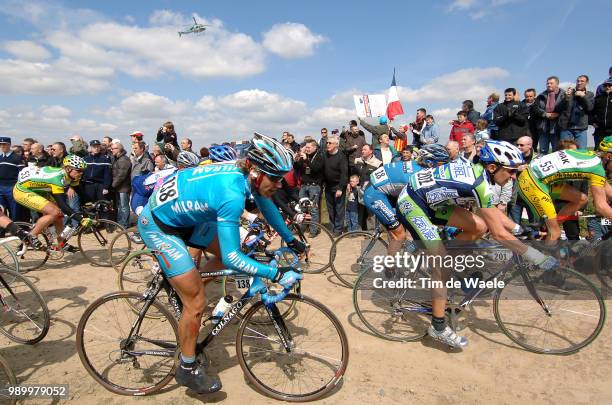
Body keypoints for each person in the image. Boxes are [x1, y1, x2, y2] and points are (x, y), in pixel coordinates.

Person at [137, 133, 305, 394]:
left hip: (187, 219)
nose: (280, 184)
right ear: (256, 171)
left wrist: (291, 239)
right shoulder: (232, 192)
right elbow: (233, 258)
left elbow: (267, 204)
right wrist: (275, 273)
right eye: (275, 177)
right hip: (160, 226)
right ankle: (187, 368)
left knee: (218, 264)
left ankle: (189, 285)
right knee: (197, 303)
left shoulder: (247, 176)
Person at [397, 140, 558, 348]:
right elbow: (499, 234)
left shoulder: (480, 175)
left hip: (430, 202)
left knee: (480, 227)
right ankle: (437, 327)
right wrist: (536, 256)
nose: (513, 177)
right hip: (412, 204)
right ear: (493, 167)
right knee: (442, 264)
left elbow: (492, 217)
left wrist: (517, 229)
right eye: (510, 171)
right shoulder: (478, 184)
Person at [364, 144, 451, 257]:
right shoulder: (419, 175)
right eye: (443, 164)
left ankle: (407, 254)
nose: (445, 167)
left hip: (387, 191)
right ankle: (389, 267)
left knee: (410, 223)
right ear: (431, 162)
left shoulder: (420, 166)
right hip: (374, 194)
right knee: (399, 235)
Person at [517, 145, 612, 240]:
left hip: (540, 179)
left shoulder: (591, 156)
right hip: (532, 183)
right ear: (609, 156)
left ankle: (549, 226)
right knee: (555, 233)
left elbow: (608, 191)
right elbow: (601, 206)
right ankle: (544, 252)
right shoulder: (597, 169)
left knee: (581, 199)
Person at [13, 155, 91, 251]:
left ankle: (61, 244)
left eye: (83, 170)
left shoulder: (71, 176)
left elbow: (80, 192)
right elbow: (63, 205)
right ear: (68, 169)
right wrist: (80, 219)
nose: (81, 173)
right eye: (78, 170)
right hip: (23, 190)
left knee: (59, 215)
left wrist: (92, 203)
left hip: (40, 189)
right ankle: (31, 236)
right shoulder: (57, 179)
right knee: (55, 212)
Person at [294, 139, 324, 236]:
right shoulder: (304, 157)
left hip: (314, 186)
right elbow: (298, 169)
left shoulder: (319, 156)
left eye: (308, 147)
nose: (306, 149)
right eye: (306, 147)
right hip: (304, 186)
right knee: (302, 208)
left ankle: (313, 231)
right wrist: (296, 161)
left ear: (314, 147)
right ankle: (301, 229)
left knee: (313, 209)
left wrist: (306, 159)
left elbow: (315, 169)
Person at [508, 136, 539, 226]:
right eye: (517, 145)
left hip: (533, 197)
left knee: (535, 226)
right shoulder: (512, 158)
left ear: (530, 145)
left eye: (521, 145)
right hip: (516, 196)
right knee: (513, 227)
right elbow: (505, 173)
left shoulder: (539, 159)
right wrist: (516, 169)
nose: (518, 147)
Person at [532, 76, 567, 154]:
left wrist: (558, 114)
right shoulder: (541, 96)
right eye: (547, 83)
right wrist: (545, 114)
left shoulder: (564, 95)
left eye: (551, 83)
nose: (549, 85)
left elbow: (567, 109)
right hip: (543, 128)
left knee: (557, 151)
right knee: (543, 151)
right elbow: (535, 108)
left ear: (557, 84)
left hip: (557, 128)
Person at [559, 75, 594, 150]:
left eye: (582, 81)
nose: (579, 83)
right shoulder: (568, 93)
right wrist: (566, 98)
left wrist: (583, 96)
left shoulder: (589, 94)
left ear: (587, 83)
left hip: (581, 128)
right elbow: (559, 108)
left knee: (581, 151)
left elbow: (590, 108)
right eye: (578, 81)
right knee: (565, 151)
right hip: (566, 127)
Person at [322, 136, 348, 236]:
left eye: (330, 143)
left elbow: (344, 174)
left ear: (336, 144)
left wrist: (340, 188)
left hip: (338, 186)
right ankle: (332, 227)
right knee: (330, 208)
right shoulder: (325, 155)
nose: (327, 144)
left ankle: (338, 229)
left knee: (339, 208)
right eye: (327, 143)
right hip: (328, 186)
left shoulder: (341, 156)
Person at [0, 137, 25, 220]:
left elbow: (22, 173)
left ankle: (16, 228)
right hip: (1, 186)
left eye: (4, 144)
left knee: (14, 209)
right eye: (1, 144)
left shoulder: (17, 158)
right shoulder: (0, 157)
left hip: (12, 187)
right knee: (1, 209)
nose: (2, 146)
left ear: (9, 145)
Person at [82, 140, 112, 204]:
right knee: (89, 205)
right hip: (88, 185)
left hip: (100, 185)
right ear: (90, 147)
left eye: (98, 147)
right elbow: (82, 173)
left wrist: (106, 187)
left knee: (103, 205)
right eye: (94, 147)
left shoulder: (105, 158)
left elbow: (107, 174)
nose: (96, 148)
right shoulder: (85, 159)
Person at [110, 142, 131, 228]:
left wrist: (112, 185)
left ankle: (124, 225)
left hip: (123, 188)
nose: (112, 150)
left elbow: (121, 175)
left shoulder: (123, 160)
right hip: (119, 187)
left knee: (124, 207)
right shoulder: (117, 158)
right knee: (120, 206)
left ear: (119, 149)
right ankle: (120, 224)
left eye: (113, 148)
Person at [591, 78, 612, 149]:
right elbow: (591, 112)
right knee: (598, 150)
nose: (607, 87)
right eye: (605, 85)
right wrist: (592, 122)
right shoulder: (598, 98)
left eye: (609, 85)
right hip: (599, 129)